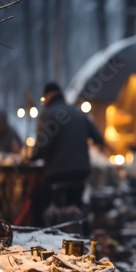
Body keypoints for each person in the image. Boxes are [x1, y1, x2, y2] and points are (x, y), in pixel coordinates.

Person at [27, 82, 105, 227]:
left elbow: (43, 146)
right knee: (76, 207)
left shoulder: (48, 114)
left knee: (37, 199)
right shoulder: (79, 113)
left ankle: (46, 234)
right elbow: (99, 139)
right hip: (81, 172)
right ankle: (80, 234)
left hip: (58, 173)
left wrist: (31, 157)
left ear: (48, 95)